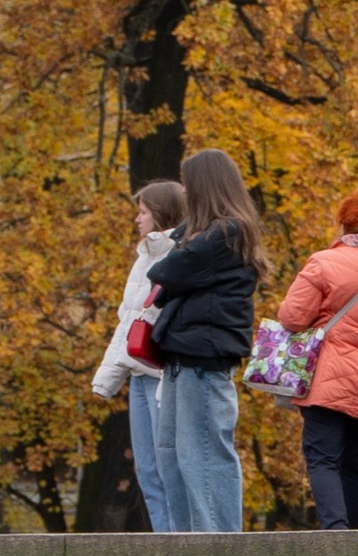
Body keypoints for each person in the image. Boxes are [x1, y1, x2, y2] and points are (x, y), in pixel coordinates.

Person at [271, 184, 358, 533]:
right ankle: (354, 541)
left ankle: (336, 534)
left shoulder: (324, 261)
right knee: (356, 463)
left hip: (328, 378)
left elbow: (291, 317)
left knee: (322, 458)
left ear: (344, 224)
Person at [145, 148, 263, 535]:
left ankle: (219, 546)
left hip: (203, 357)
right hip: (185, 354)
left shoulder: (225, 232)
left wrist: (181, 237)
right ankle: (189, 541)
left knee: (205, 454)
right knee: (174, 455)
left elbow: (165, 271)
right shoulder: (215, 232)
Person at [90, 178, 187, 529]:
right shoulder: (143, 255)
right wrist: (107, 378)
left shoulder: (179, 254)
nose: (137, 218)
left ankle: (180, 541)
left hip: (162, 373)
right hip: (138, 369)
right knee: (147, 467)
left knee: (167, 464)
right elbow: (128, 321)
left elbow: (152, 317)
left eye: (143, 211)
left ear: (160, 213)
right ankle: (164, 539)